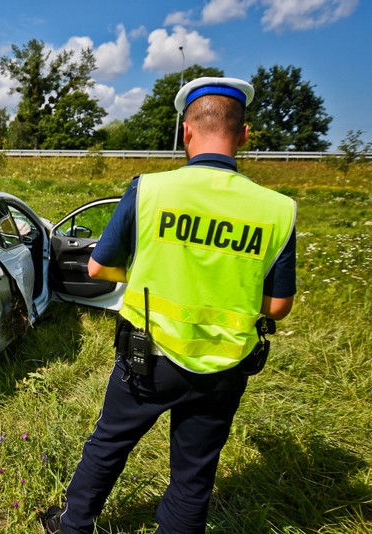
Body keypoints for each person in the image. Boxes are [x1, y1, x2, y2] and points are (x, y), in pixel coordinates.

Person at [43, 77, 297, 534]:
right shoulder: (277, 209)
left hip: (148, 357)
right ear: (243, 134)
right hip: (224, 365)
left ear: (186, 131)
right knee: (193, 474)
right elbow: (278, 306)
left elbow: (98, 270)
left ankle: (73, 524)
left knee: (109, 444)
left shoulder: (150, 190)